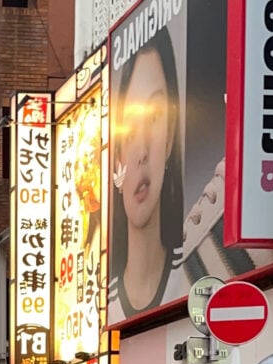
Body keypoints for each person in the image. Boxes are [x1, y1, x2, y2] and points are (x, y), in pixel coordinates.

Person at [107, 26, 185, 324]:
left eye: (153, 117)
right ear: (116, 155)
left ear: (169, 136)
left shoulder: (195, 272)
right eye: (129, 126)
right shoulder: (98, 307)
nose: (141, 151)